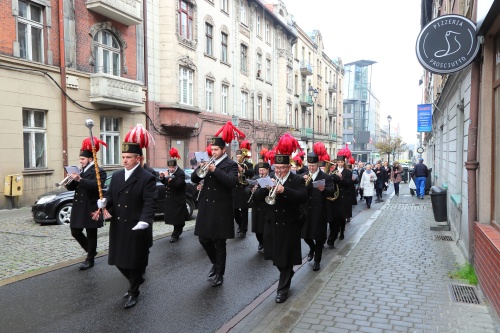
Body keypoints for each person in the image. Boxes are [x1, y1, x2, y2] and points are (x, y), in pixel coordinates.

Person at [98, 129, 158, 309]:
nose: (125, 160)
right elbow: (110, 195)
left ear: (138, 159)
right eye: (123, 157)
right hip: (119, 224)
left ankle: (134, 291)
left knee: (133, 261)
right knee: (117, 260)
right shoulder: (116, 175)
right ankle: (136, 280)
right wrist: (104, 202)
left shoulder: (146, 178)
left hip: (136, 225)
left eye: (129, 157)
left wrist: (145, 220)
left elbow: (150, 202)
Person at [253, 140, 307, 303]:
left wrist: (284, 190)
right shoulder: (269, 178)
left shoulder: (296, 180)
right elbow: (257, 199)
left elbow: (302, 197)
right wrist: (262, 189)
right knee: (274, 256)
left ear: (289, 168)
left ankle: (282, 290)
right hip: (271, 223)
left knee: (285, 258)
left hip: (289, 224)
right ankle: (287, 273)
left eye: (282, 168)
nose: (279, 171)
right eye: (277, 168)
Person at [191, 136, 238, 287]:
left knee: (219, 242)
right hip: (206, 206)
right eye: (212, 149)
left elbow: (231, 182)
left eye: (216, 149)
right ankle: (215, 263)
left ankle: (219, 273)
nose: (213, 152)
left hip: (221, 208)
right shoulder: (208, 162)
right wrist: (200, 167)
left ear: (223, 150)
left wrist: (215, 170)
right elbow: (194, 179)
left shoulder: (231, 164)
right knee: (203, 239)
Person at [67, 137, 107, 270]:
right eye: (80, 159)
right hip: (79, 206)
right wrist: (70, 179)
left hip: (90, 205)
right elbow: (72, 188)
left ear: (90, 159)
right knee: (75, 231)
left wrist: (80, 179)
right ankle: (91, 250)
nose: (80, 161)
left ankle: (90, 259)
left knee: (91, 233)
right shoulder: (80, 170)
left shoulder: (99, 171)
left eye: (82, 159)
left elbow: (97, 186)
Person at [302, 150, 334, 271]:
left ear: (318, 165)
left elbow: (332, 191)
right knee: (306, 236)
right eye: (309, 166)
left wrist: (323, 189)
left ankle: (317, 261)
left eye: (313, 166)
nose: (311, 168)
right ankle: (312, 248)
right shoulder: (304, 175)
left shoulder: (326, 177)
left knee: (319, 238)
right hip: (307, 211)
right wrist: (303, 181)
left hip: (320, 211)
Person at [160, 148, 186, 243]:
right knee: (173, 218)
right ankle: (177, 231)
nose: (171, 169)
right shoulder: (169, 172)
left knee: (177, 219)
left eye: (172, 168)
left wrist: (169, 179)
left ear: (175, 166)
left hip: (178, 199)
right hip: (171, 200)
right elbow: (165, 183)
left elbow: (179, 184)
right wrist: (162, 178)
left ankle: (175, 235)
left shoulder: (180, 173)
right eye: (169, 168)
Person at [327, 155, 353, 246]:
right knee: (336, 216)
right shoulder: (333, 172)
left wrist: (341, 178)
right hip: (336, 196)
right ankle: (335, 233)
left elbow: (349, 183)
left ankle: (342, 231)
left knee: (343, 216)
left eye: (342, 162)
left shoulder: (348, 172)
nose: (340, 163)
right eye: (339, 162)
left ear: (344, 163)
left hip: (344, 196)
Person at [246, 161, 272, 253]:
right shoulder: (255, 178)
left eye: (263, 170)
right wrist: (251, 190)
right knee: (258, 229)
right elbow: (247, 189)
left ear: (268, 170)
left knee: (267, 229)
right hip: (257, 207)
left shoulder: (272, 178)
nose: (261, 172)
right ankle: (260, 242)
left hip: (268, 206)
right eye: (260, 170)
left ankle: (267, 244)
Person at [233, 144, 254, 238]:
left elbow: (252, 173)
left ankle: (243, 230)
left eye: (239, 156)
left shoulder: (248, 164)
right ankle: (240, 224)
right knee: (235, 210)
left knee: (244, 210)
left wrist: (243, 170)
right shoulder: (233, 164)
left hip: (244, 189)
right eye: (237, 156)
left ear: (243, 156)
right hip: (236, 189)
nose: (238, 158)